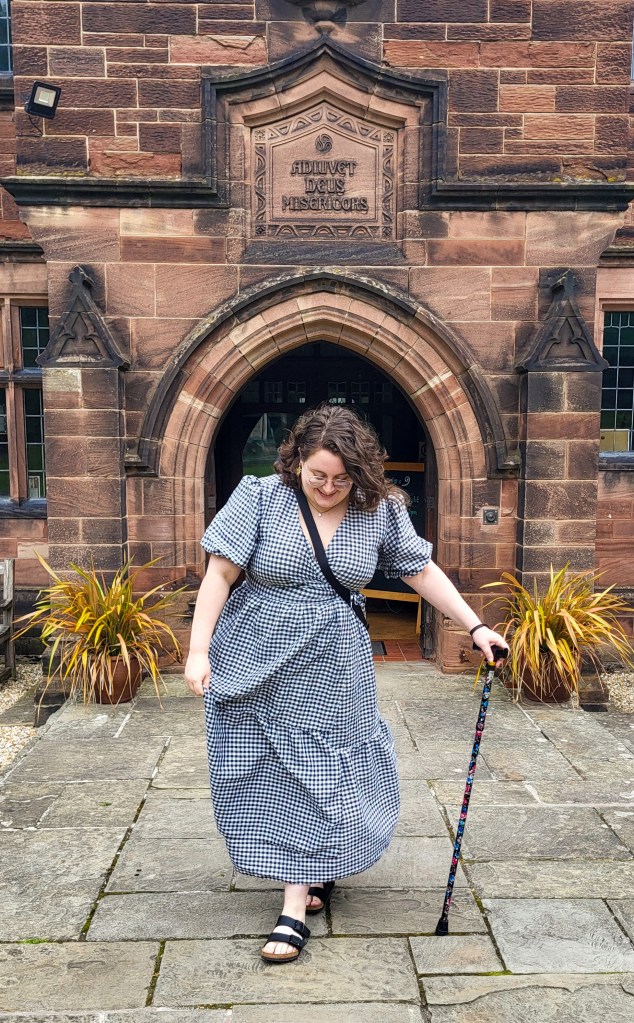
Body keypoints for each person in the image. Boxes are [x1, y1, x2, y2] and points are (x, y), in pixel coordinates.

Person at [184, 404, 507, 964]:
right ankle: (302, 879)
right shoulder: (259, 496)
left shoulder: (378, 508)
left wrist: (475, 625)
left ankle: (298, 894)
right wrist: (198, 649)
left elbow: (420, 571)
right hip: (257, 655)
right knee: (266, 769)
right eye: (318, 476)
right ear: (296, 463)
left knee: (322, 766)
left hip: (335, 664)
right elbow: (220, 574)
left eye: (341, 478)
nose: (329, 488)